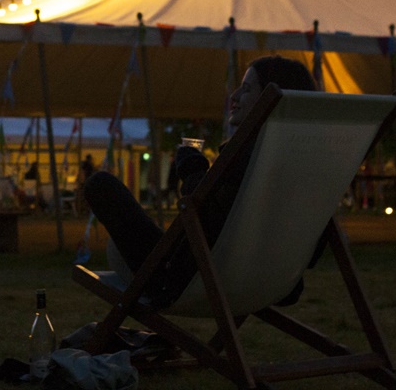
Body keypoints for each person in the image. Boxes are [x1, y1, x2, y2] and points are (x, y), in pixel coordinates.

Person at [83, 55, 318, 308]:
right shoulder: (306, 165)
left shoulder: (248, 158)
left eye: (247, 89)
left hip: (194, 279)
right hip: (275, 282)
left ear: (271, 101)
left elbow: (205, 214)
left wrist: (192, 168)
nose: (234, 96)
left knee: (100, 185)